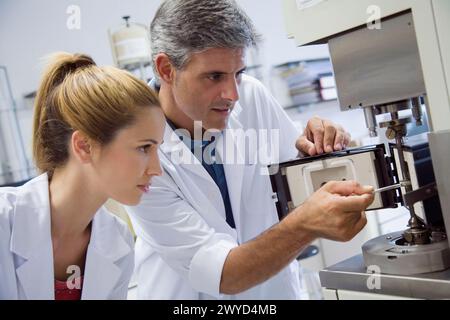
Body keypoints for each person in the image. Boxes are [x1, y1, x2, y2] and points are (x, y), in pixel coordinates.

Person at [126, 0, 374, 299]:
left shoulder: (252, 96)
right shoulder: (133, 147)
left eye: (239, 73)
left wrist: (322, 145)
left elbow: (297, 178)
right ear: (167, 69)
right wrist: (304, 227)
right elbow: (222, 274)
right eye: (214, 76)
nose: (232, 94)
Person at [0, 52, 165, 299]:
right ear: (84, 146)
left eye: (157, 149)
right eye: (144, 148)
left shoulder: (118, 243)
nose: (157, 169)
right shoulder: (4, 223)